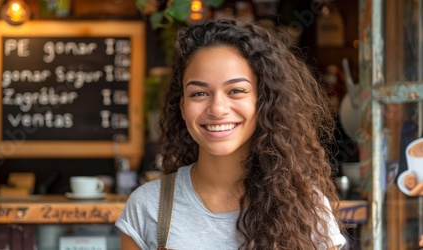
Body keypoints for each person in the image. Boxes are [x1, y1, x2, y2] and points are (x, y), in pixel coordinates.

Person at [116, 19, 345, 249]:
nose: (217, 108)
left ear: (264, 101)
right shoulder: (147, 206)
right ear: (183, 106)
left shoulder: (306, 206)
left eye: (236, 91)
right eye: (199, 93)